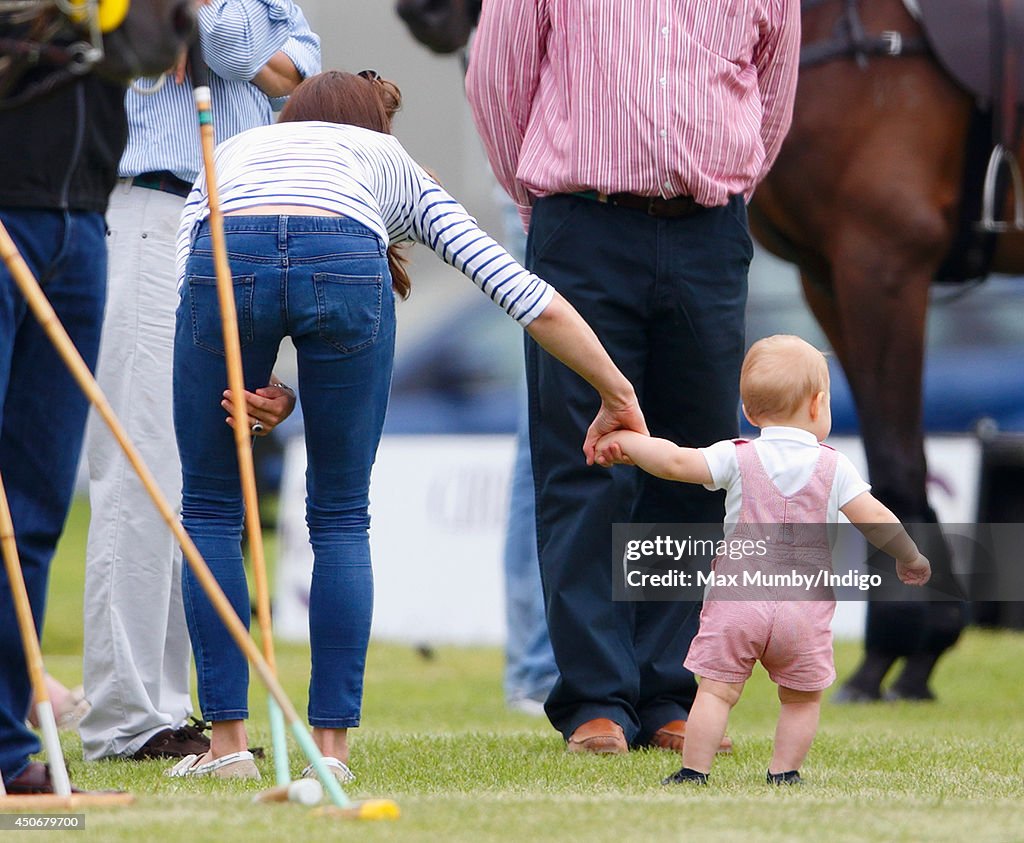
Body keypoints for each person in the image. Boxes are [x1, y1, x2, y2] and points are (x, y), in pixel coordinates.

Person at [165, 70, 646, 780]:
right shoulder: (392, 164)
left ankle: (227, 746)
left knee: (209, 507)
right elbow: (522, 293)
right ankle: (330, 755)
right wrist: (616, 388)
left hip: (224, 245)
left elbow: (191, 285)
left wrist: (254, 388)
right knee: (338, 517)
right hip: (347, 261)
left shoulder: (236, 149)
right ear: (376, 126)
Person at [466, 1, 800, 753]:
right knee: (582, 463)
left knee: (693, 469)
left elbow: (774, 96)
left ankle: (667, 693)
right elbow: (496, 82)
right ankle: (595, 701)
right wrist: (539, 204)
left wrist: (728, 181)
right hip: (583, 223)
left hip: (708, 232)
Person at [79, 0, 319, 763]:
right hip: (154, 205)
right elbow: (227, 47)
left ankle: (175, 701)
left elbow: (294, 81)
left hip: (239, 215)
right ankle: (126, 713)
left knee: (207, 471)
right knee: (143, 460)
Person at [593, 335, 932, 785]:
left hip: (738, 604)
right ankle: (784, 774)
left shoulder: (738, 456)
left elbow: (675, 462)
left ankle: (694, 772)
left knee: (716, 692)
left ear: (750, 413)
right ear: (819, 405)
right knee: (800, 700)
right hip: (803, 611)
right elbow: (874, 517)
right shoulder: (836, 468)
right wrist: (908, 555)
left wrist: (629, 444)